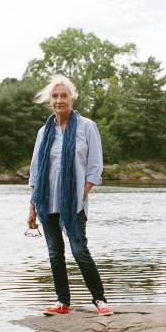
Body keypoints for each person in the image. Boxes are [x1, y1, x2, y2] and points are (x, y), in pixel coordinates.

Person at [27, 75, 113, 316]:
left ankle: (100, 300)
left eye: (63, 95)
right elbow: (35, 171)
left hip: (73, 203)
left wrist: (80, 196)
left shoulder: (87, 126)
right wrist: (32, 206)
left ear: (71, 98)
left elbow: (95, 167)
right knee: (55, 253)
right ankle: (63, 302)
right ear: (49, 101)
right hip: (46, 201)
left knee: (79, 250)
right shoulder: (44, 132)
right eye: (55, 96)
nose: (59, 100)